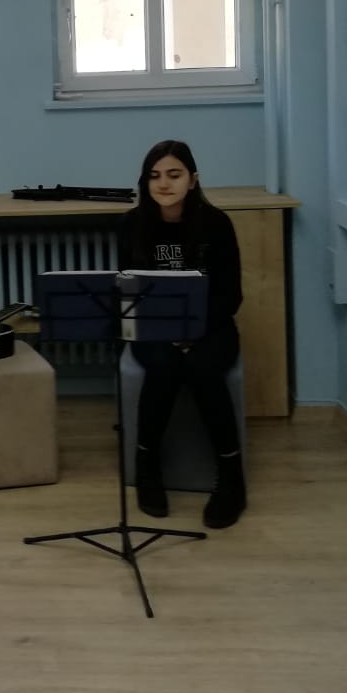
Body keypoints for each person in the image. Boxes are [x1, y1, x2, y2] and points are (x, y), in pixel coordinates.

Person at [117, 140, 246, 529]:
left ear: (193, 180)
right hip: (154, 328)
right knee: (163, 366)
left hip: (211, 326)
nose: (164, 183)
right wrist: (169, 331)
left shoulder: (216, 224)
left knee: (204, 369)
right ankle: (147, 466)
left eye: (174, 175)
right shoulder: (132, 224)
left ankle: (231, 478)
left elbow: (231, 296)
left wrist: (193, 330)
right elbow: (129, 291)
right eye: (154, 176)